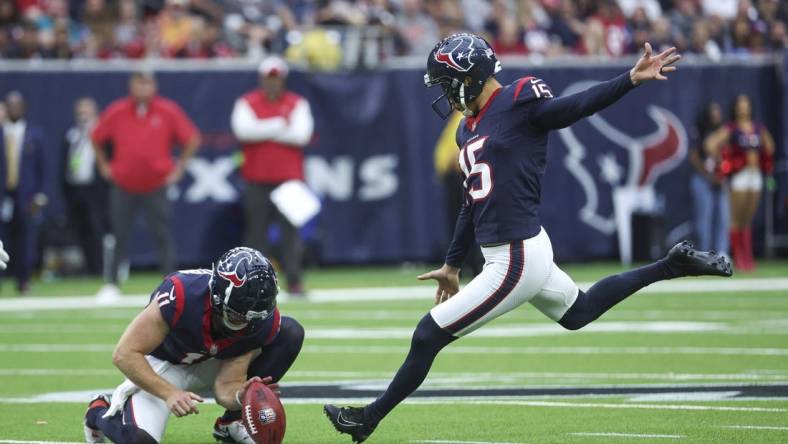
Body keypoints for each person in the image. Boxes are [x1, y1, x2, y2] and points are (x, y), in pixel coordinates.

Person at [323, 33, 732, 443]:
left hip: (515, 256)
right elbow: (471, 199)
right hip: (519, 251)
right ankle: (671, 264)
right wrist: (452, 263)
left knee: (427, 334)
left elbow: (572, 108)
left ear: (471, 76)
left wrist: (629, 79)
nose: (447, 95)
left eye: (449, 83)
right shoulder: (466, 129)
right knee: (579, 312)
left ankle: (368, 420)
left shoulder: (519, 99)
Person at [83, 246, 304, 444]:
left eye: (251, 319)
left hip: (211, 360)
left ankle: (232, 423)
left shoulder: (258, 320)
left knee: (289, 332)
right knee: (140, 441)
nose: (245, 323)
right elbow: (125, 354)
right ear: (218, 297)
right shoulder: (181, 294)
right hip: (163, 366)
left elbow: (226, 386)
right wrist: (169, 393)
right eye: (237, 316)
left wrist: (242, 398)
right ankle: (98, 410)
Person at [92, 71, 201, 301]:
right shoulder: (117, 110)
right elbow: (96, 136)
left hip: (156, 185)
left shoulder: (167, 110)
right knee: (119, 234)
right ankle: (112, 283)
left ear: (154, 86)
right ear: (131, 86)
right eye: (138, 83)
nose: (142, 88)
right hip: (124, 184)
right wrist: (104, 165)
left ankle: (172, 284)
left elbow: (191, 138)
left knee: (162, 234)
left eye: (147, 83)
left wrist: (179, 168)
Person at [231, 56, 314, 296]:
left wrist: (263, 128)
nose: (273, 83)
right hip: (256, 178)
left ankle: (294, 282)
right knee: (255, 234)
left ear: (283, 80)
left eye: (276, 79)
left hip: (289, 179)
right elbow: (244, 131)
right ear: (262, 79)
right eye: (269, 79)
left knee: (291, 234)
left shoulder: (298, 103)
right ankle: (248, 285)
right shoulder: (247, 102)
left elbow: (301, 135)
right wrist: (280, 123)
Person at [704, 94, 775, 272]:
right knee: (736, 218)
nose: (743, 108)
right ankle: (739, 258)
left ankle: (748, 257)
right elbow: (710, 144)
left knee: (748, 219)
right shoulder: (731, 128)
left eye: (746, 104)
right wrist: (722, 160)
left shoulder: (758, 127)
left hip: (755, 174)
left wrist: (763, 158)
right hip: (739, 175)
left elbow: (770, 146)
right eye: (740, 105)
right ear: (735, 108)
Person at [0, 91, 48, 294]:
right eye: (10, 105)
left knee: (25, 240)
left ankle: (23, 280)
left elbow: (43, 168)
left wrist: (40, 195)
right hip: (3, 195)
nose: (14, 109)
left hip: (25, 196)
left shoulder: (34, 135)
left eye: (17, 105)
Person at [63, 97, 108, 275]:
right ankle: (88, 268)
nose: (83, 115)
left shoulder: (102, 133)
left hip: (95, 190)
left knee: (97, 230)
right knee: (80, 230)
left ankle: (100, 268)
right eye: (80, 112)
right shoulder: (72, 135)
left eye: (86, 111)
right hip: (76, 189)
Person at [688, 102, 728, 255]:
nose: (716, 114)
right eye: (713, 111)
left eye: (718, 111)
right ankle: (703, 253)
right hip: (703, 178)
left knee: (723, 216)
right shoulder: (699, 129)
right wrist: (708, 175)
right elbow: (694, 155)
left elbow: (727, 154)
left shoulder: (724, 130)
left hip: (721, 178)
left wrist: (721, 173)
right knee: (703, 218)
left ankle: (722, 251)